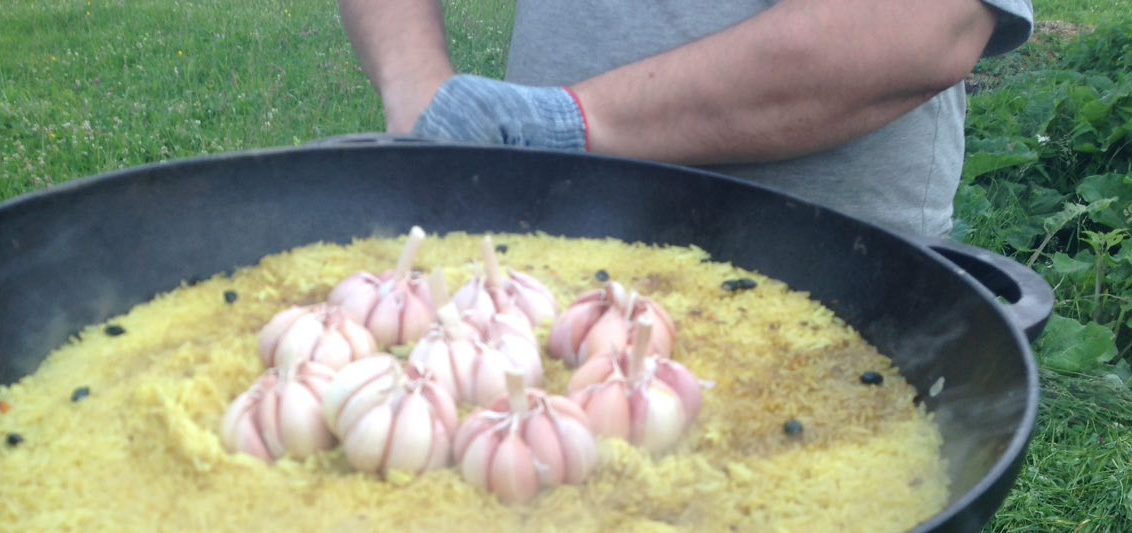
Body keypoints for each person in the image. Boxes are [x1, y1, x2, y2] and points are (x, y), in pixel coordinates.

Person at [336, 0, 1034, 237]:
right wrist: (417, 86)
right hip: (533, 244)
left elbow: (925, 23)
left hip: (819, 286)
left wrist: (566, 124)